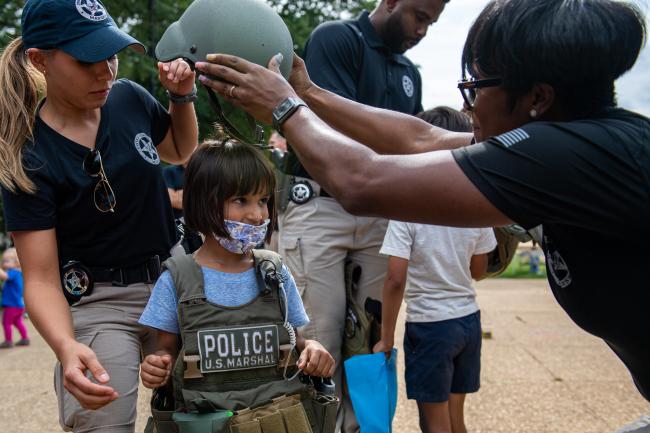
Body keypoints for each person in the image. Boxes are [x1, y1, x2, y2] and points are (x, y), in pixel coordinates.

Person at [195, 0, 650, 401]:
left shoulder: (565, 156)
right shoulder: (586, 138)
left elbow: (362, 181)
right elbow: (421, 137)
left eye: (476, 85)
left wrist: (285, 109)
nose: (468, 105)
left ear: (538, 97)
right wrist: (307, 92)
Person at [0, 0, 198, 431]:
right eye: (88, 59)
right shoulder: (29, 157)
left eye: (110, 54)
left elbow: (180, 150)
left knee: (214, 411)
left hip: (175, 280)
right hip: (100, 301)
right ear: (40, 60)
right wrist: (67, 346)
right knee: (101, 414)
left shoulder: (129, 98)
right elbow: (41, 278)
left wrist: (181, 98)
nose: (106, 71)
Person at [277, 1, 448, 430]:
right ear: (390, 1)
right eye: (420, 17)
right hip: (321, 204)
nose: (423, 31)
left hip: (381, 212)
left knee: (371, 345)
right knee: (318, 338)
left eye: (432, 22)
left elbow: (414, 145)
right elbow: (329, 128)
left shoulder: (409, 73)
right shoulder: (336, 39)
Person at [138, 139, 335, 430]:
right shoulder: (177, 278)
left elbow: (295, 340)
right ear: (203, 202)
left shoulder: (275, 272)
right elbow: (164, 351)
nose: (257, 215)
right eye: (241, 200)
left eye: (263, 201)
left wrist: (314, 349)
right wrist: (156, 366)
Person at [372, 107, 496, 433]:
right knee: (457, 420)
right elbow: (479, 270)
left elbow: (395, 279)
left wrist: (386, 338)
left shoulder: (408, 208)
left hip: (429, 327)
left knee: (435, 423)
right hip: (468, 321)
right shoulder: (477, 204)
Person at [163, 162, 203, 254]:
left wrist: (180, 194)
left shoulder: (203, 171)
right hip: (177, 226)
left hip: (199, 226)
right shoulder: (169, 171)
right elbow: (172, 200)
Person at [0, 247, 29, 348]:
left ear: (16, 262)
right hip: (18, 305)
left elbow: (4, 276)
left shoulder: (13, 272)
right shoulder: (17, 273)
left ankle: (8, 341)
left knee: (6, 322)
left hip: (12, 305)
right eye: (3, 260)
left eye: (7, 261)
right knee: (17, 322)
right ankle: (25, 338)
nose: (4, 263)